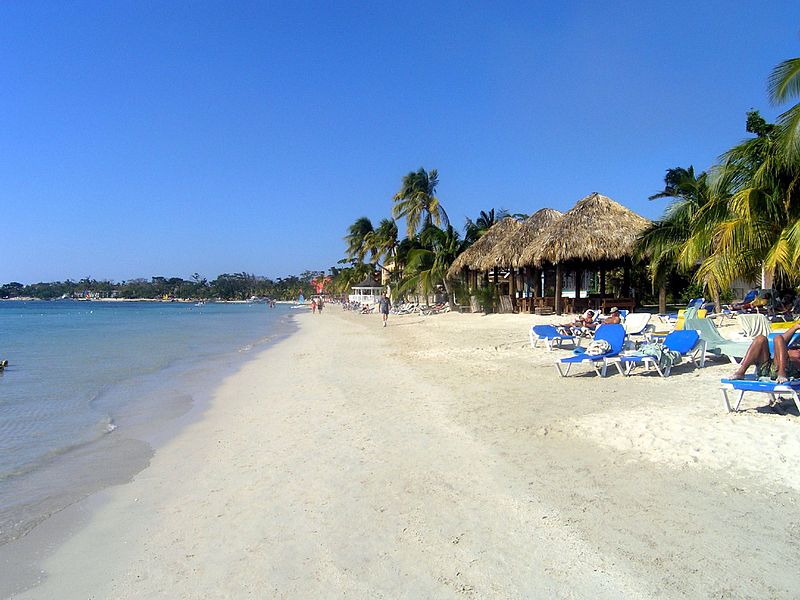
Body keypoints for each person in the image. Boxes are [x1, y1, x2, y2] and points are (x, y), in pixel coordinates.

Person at [731, 323, 800, 384]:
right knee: (760, 338)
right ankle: (741, 371)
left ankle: (781, 372)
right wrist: (795, 327)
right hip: (772, 367)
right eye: (794, 348)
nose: (797, 349)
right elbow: (780, 340)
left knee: (779, 338)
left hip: (788, 370)